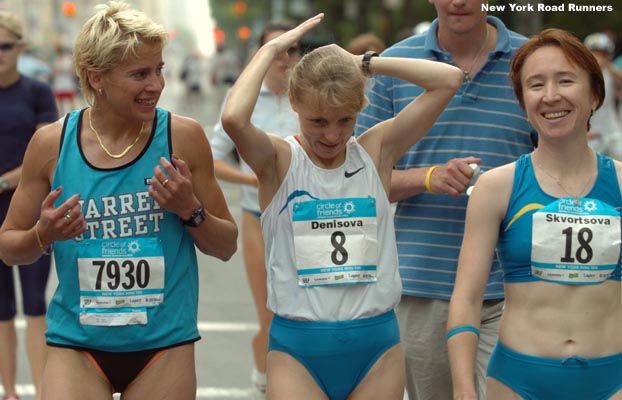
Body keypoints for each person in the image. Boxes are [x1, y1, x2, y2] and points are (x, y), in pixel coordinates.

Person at [0, 2, 238, 399]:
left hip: (163, 346)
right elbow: (8, 248)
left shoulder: (184, 138)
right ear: (97, 78)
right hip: (77, 344)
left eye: (159, 69)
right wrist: (44, 233)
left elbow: (226, 244)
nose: (156, 85)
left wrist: (189, 210)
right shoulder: (51, 144)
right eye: (140, 74)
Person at [221, 13, 462, 400]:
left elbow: (448, 80)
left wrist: (363, 63)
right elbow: (233, 118)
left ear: (361, 107)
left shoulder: (375, 150)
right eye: (317, 121)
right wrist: (270, 49)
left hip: (375, 346)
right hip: (299, 349)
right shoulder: (279, 161)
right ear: (294, 102)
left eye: (345, 119)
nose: (331, 135)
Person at [355, 1, 537, 398]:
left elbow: (555, 167)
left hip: (514, 285)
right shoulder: (395, 64)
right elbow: (359, 179)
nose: (458, 2)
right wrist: (430, 177)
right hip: (424, 284)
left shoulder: (530, 61)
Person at [447, 28, 622, 400]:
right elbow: (465, 299)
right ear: (523, 101)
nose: (551, 96)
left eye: (565, 81)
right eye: (536, 84)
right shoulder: (497, 186)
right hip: (517, 382)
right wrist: (463, 389)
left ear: (594, 94)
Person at [210, 20, 299, 399]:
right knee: (270, 313)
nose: (284, 58)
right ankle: (266, 381)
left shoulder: (309, 93)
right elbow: (211, 159)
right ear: (261, 56)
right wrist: (255, 180)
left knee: (302, 312)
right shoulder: (244, 98)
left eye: (291, 49)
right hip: (257, 218)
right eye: (275, 49)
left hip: (306, 221)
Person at [0, 11, 58, 400]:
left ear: (20, 46)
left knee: (36, 302)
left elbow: (45, 154)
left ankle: (41, 389)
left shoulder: (38, 93)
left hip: (30, 207)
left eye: (5, 45)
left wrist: (5, 181)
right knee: (0, 308)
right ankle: (8, 390)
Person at [584, 32, 622, 161]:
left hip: (612, 131)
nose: (597, 57)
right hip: (591, 132)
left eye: (602, 53)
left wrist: (607, 65)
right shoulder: (584, 75)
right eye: (594, 53)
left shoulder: (610, 72)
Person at [51, 45, 79, 117]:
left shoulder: (68, 60)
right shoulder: (56, 60)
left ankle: (74, 114)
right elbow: (54, 71)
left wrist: (65, 71)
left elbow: (73, 71)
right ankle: (61, 115)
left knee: (71, 100)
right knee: (59, 101)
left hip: (67, 83)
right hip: (59, 83)